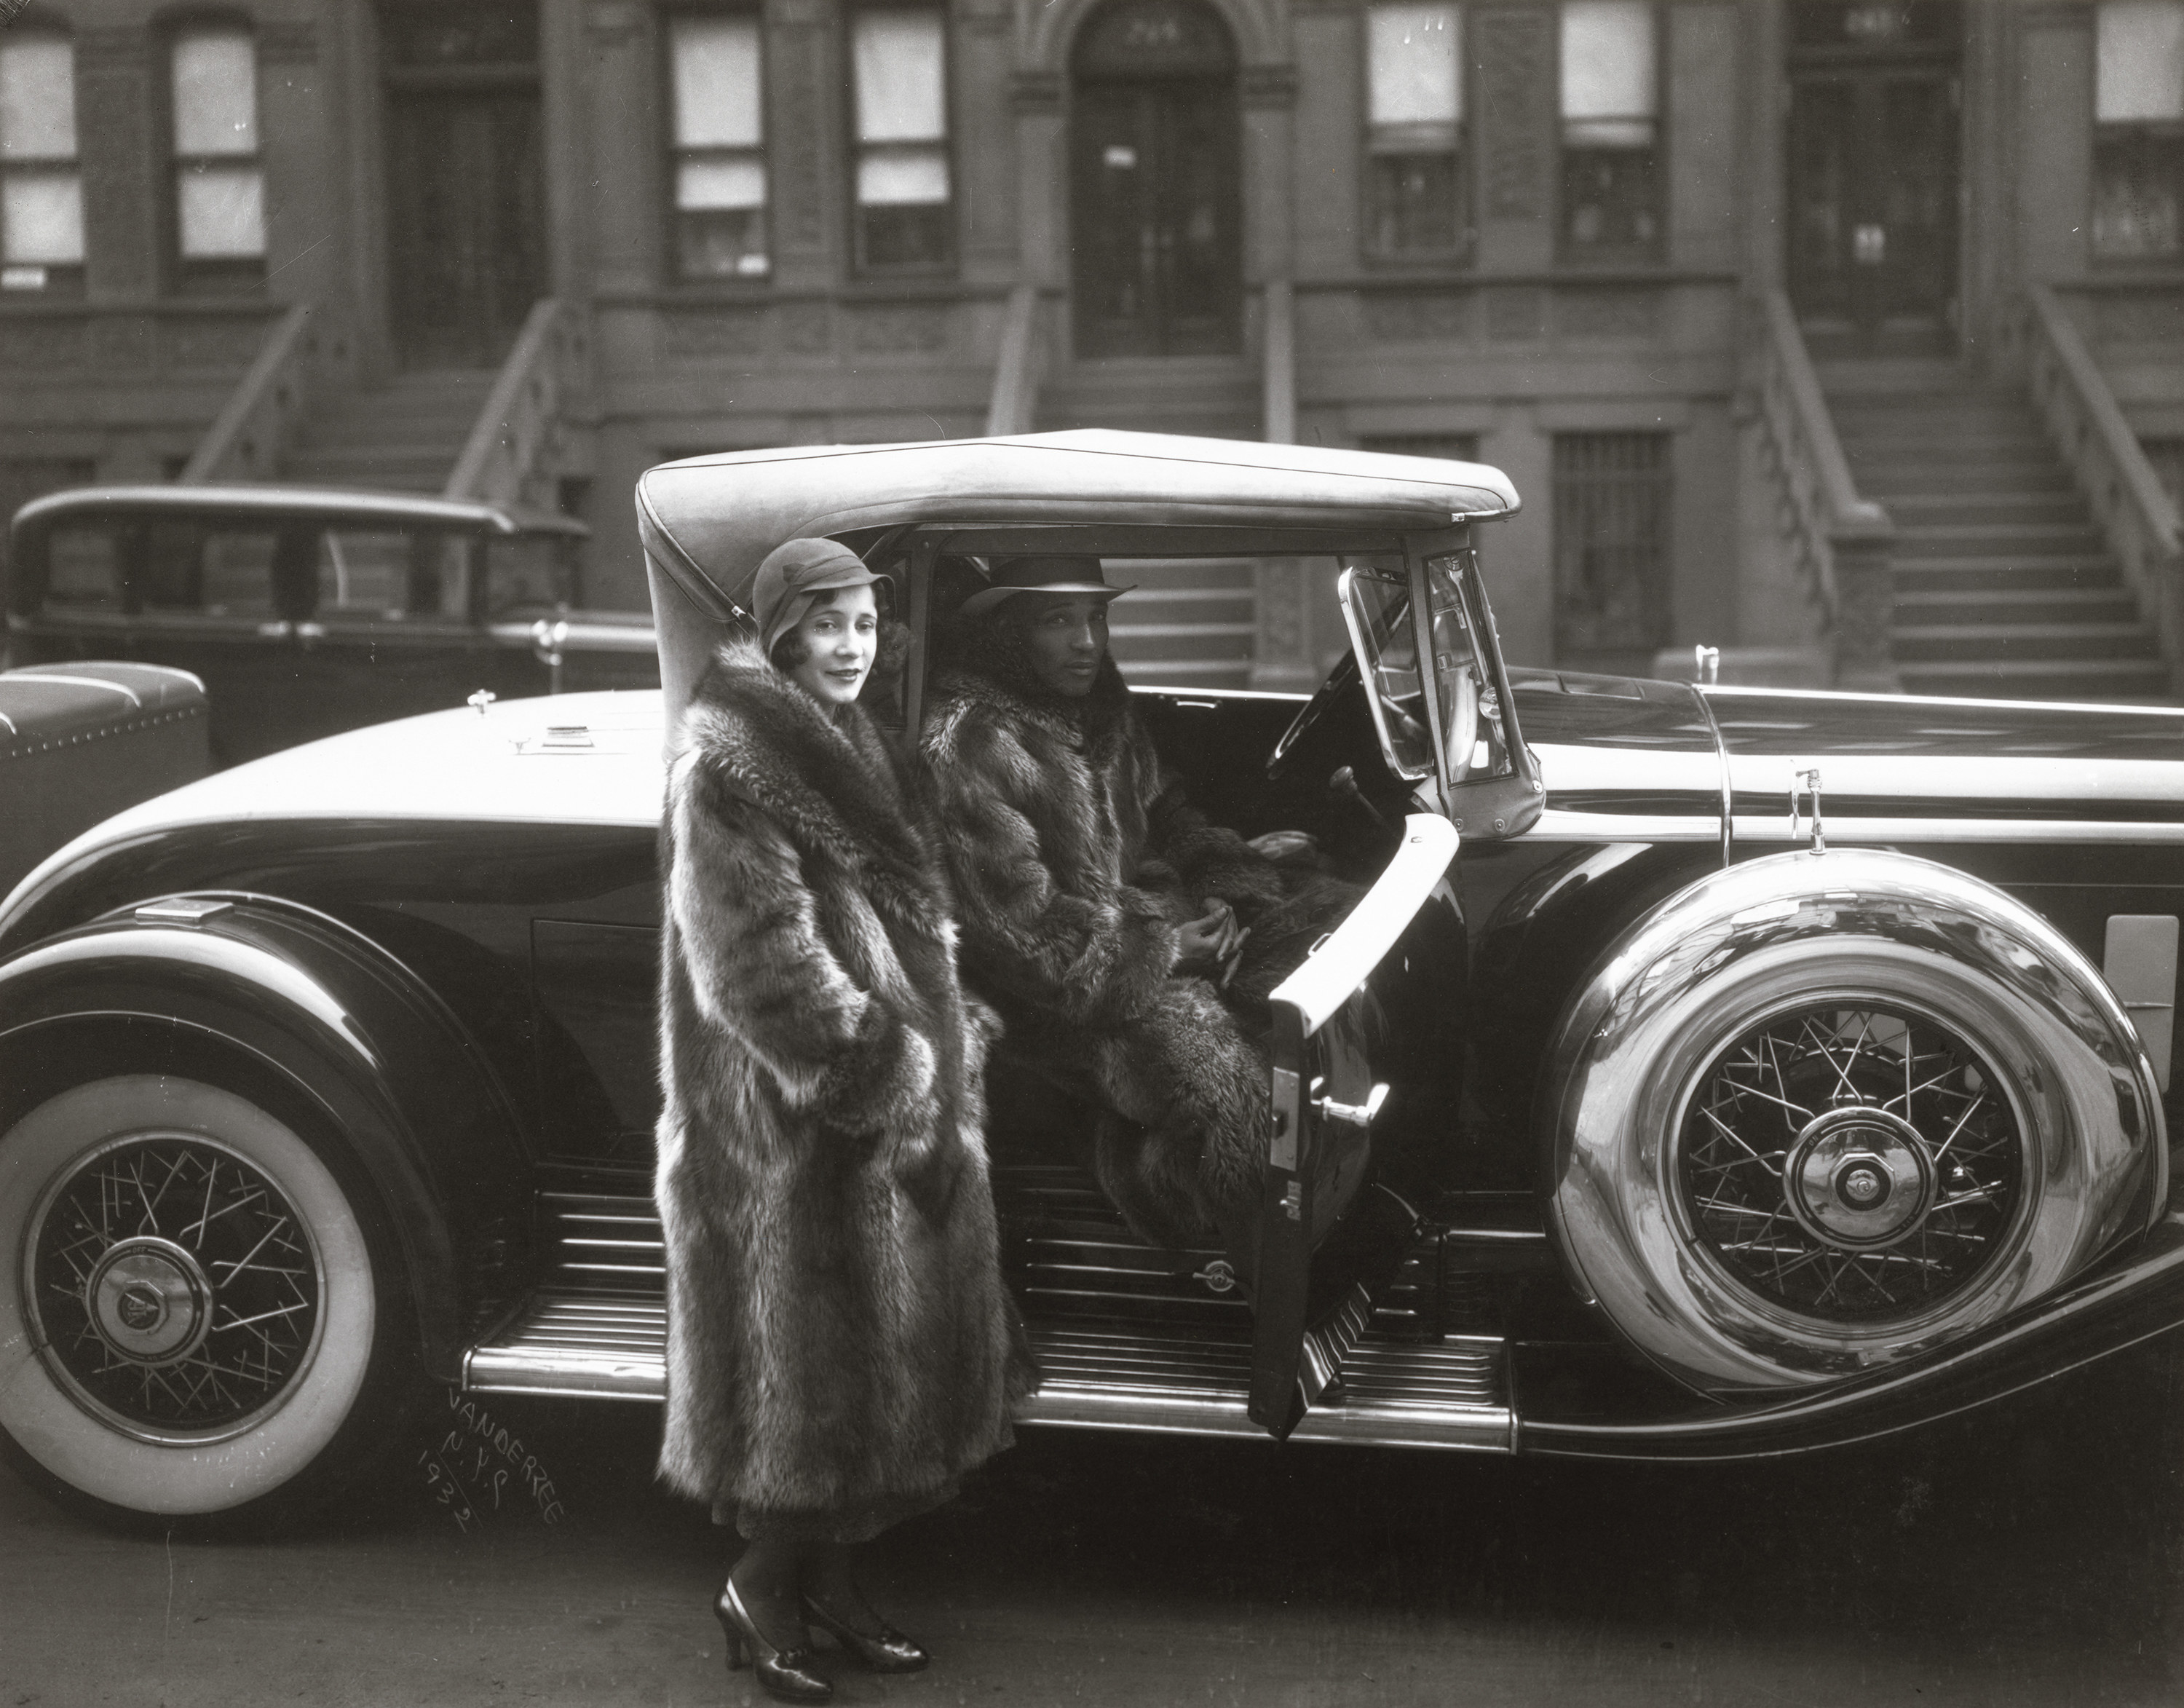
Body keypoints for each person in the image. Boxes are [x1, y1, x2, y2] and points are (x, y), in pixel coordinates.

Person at [656, 537, 1034, 1705]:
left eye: (866, 626)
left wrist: (947, 1034)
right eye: (828, 626)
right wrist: (894, 1078)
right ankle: (761, 1585)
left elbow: (898, 923)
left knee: (874, 1384)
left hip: (876, 1108)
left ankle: (826, 1588)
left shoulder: (853, 741)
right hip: (787, 1129)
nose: (852, 647)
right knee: (804, 1384)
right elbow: (759, 966)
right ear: (780, 633)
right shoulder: (730, 766)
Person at [917, 555, 1353, 1259]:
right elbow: (1021, 937)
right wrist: (1171, 949)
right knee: (1238, 1094)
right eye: (1059, 621)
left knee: (1334, 918)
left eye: (1097, 617)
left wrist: (1224, 888)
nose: (1088, 641)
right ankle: (1238, 1270)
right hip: (1053, 1008)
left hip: (1152, 936)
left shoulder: (1098, 709)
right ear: (1008, 633)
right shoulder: (970, 742)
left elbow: (1169, 814)